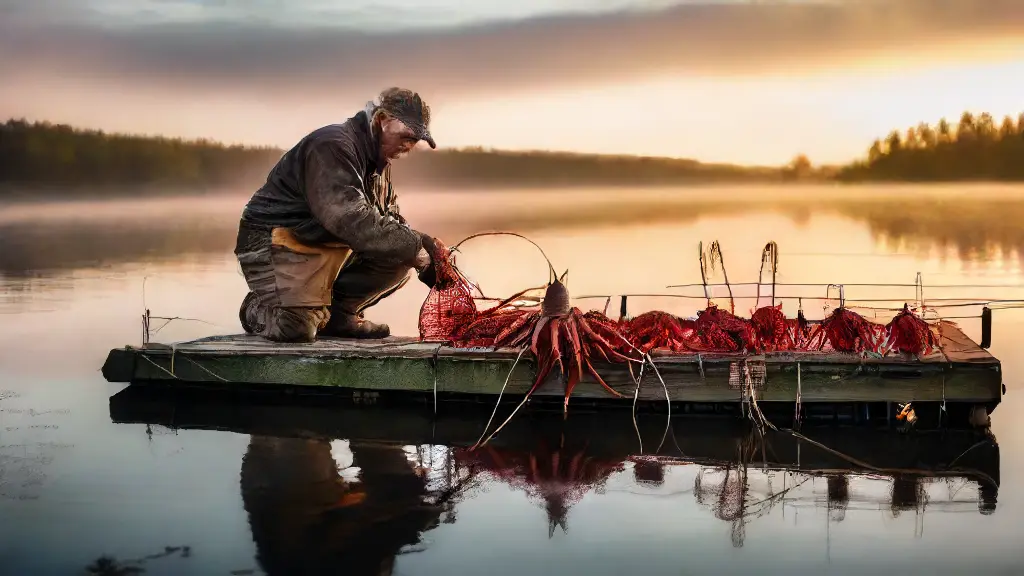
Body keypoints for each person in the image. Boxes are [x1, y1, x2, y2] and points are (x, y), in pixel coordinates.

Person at [234, 87, 440, 343]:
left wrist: (427, 248)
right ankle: (257, 308)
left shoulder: (379, 163)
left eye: (415, 141)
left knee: (399, 252)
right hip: (272, 240)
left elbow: (390, 221)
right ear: (382, 120)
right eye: (406, 136)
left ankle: (340, 316)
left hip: (319, 241)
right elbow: (348, 219)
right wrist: (415, 248)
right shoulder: (332, 145)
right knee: (296, 329)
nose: (409, 146)